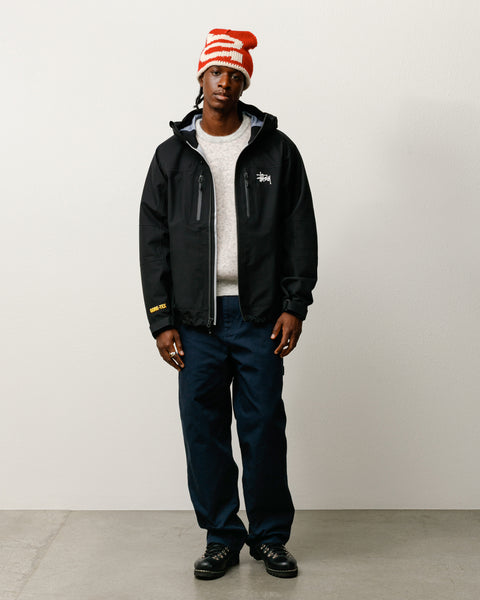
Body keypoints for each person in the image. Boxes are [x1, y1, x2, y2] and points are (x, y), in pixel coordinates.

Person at [139, 28, 317, 580]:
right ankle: (221, 536)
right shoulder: (171, 156)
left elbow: (300, 230)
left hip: (259, 315)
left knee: (263, 428)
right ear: (201, 77)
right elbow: (153, 242)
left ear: (245, 83)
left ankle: (269, 537)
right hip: (194, 319)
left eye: (235, 74)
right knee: (204, 431)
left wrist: (295, 304)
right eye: (216, 71)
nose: (225, 82)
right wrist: (161, 319)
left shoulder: (277, 151)